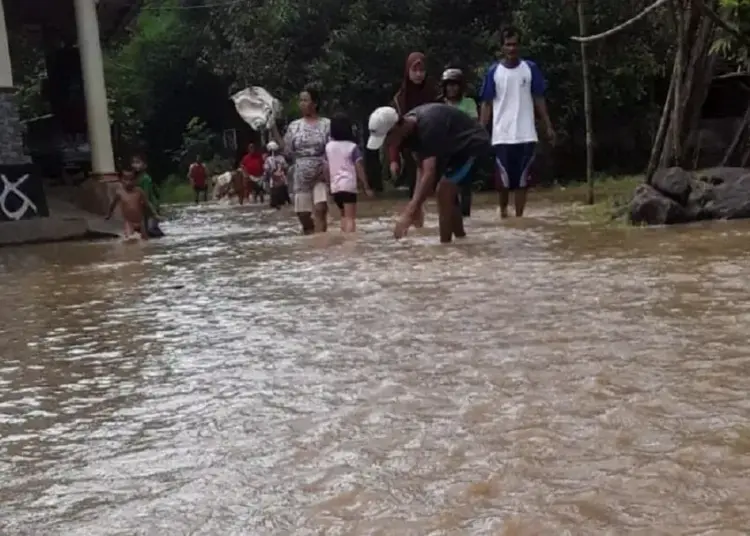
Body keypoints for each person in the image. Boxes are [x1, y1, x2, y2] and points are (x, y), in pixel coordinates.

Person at [367, 103, 491, 243]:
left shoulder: (428, 126)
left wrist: (409, 212)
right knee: (448, 197)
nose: (387, 144)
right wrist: (416, 205)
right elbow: (421, 168)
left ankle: (445, 249)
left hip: (473, 145)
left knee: (443, 191)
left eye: (387, 140)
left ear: (396, 127)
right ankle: (461, 241)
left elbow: (429, 173)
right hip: (452, 151)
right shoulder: (407, 134)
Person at [479, 26, 556, 218]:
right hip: (502, 135)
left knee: (523, 181)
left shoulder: (530, 69)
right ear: (502, 48)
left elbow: (538, 98)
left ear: (519, 46)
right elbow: (487, 103)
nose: (512, 48)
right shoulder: (494, 72)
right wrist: (480, 130)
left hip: (526, 134)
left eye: (515, 44)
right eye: (508, 45)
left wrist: (548, 125)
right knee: (503, 182)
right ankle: (504, 213)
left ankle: (520, 218)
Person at [270, 87, 330, 234]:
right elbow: (287, 150)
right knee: (303, 215)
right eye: (300, 100)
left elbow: (331, 148)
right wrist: (273, 130)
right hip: (301, 175)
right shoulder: (294, 126)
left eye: (305, 100)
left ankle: (322, 242)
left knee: (320, 208)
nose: (302, 104)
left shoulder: (326, 124)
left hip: (321, 173)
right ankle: (311, 236)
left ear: (314, 103)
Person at [389, 51, 438, 226]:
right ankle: (419, 230)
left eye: (422, 70)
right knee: (415, 193)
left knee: (441, 191)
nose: (418, 74)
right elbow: (394, 131)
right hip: (410, 150)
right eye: (414, 70)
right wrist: (393, 159)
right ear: (407, 71)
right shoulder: (399, 99)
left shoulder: (434, 94)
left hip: (434, 147)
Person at [325, 113, 373, 232]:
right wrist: (366, 185)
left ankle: (344, 238)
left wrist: (328, 185)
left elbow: (325, 167)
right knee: (350, 218)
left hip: (335, 187)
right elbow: (359, 167)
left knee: (343, 216)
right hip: (348, 186)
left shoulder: (328, 147)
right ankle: (350, 242)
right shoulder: (352, 147)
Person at [440, 67, 478, 217]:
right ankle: (453, 217)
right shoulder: (440, 104)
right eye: (449, 85)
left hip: (465, 150)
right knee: (449, 188)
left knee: (465, 188)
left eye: (455, 84)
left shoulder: (469, 103)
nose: (452, 88)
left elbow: (474, 125)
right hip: (446, 153)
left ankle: (466, 218)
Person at [105, 168, 160, 240]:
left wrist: (155, 214)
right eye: (126, 179)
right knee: (129, 239)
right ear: (121, 180)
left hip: (140, 222)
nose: (129, 182)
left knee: (145, 241)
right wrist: (109, 215)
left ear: (136, 180)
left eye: (131, 179)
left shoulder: (139, 191)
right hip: (129, 222)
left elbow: (148, 204)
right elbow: (113, 204)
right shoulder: (119, 193)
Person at [132, 154, 164, 237]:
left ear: (144, 165)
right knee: (145, 231)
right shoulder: (134, 179)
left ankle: (164, 240)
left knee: (151, 229)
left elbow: (145, 195)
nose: (135, 165)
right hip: (143, 209)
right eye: (133, 162)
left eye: (138, 162)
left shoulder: (146, 179)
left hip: (151, 207)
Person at [264, 141, 290, 210]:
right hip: (280, 180)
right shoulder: (281, 158)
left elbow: (266, 170)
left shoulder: (268, 159)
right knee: (283, 201)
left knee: (276, 201)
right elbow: (286, 167)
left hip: (276, 180)